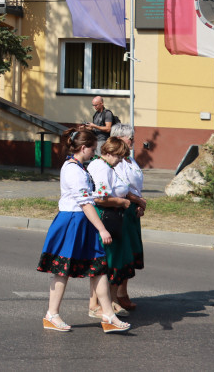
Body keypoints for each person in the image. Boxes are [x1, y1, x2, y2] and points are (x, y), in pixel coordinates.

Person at [37, 128, 129, 333]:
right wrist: (102, 229)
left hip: (82, 222)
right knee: (63, 270)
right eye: (92, 149)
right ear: (83, 147)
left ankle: (108, 315)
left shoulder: (80, 167)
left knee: (98, 268)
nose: (94, 153)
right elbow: (86, 203)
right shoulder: (72, 169)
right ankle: (51, 315)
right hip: (72, 222)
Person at [86, 136, 137, 318]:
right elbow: (100, 198)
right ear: (109, 153)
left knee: (115, 261)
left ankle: (109, 302)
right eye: (119, 156)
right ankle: (98, 305)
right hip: (107, 215)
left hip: (114, 215)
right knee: (105, 261)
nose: (120, 160)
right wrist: (121, 202)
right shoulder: (101, 167)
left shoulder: (108, 166)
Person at [111, 123, 146, 311]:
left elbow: (136, 186)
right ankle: (114, 296)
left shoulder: (131, 160)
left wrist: (140, 204)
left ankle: (123, 292)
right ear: (118, 138)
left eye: (132, 137)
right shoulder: (118, 162)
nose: (132, 140)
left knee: (130, 254)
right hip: (122, 209)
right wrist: (138, 201)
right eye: (129, 137)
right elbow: (120, 187)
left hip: (133, 210)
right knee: (122, 254)